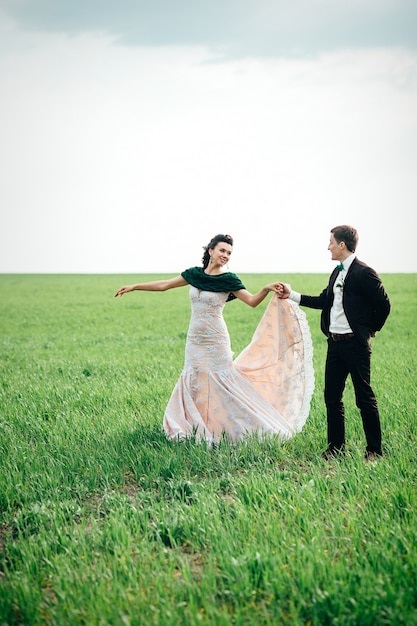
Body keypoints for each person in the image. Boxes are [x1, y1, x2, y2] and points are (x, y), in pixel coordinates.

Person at [115, 233, 314, 443]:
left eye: (229, 253)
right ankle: (195, 425)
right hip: (194, 340)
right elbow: (165, 285)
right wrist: (134, 286)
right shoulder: (194, 274)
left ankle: (233, 426)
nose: (225, 255)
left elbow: (252, 301)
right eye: (222, 250)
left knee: (221, 381)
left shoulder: (229, 280)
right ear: (211, 251)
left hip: (216, 340)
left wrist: (265, 288)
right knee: (194, 378)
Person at [278, 225, 391, 461]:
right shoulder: (336, 272)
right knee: (331, 396)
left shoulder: (364, 272)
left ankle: (374, 451)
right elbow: (323, 300)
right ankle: (335, 449)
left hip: (356, 346)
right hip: (335, 345)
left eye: (331, 242)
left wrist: (371, 329)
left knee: (364, 398)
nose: (327, 246)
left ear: (342, 244)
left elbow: (384, 304)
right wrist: (292, 295)